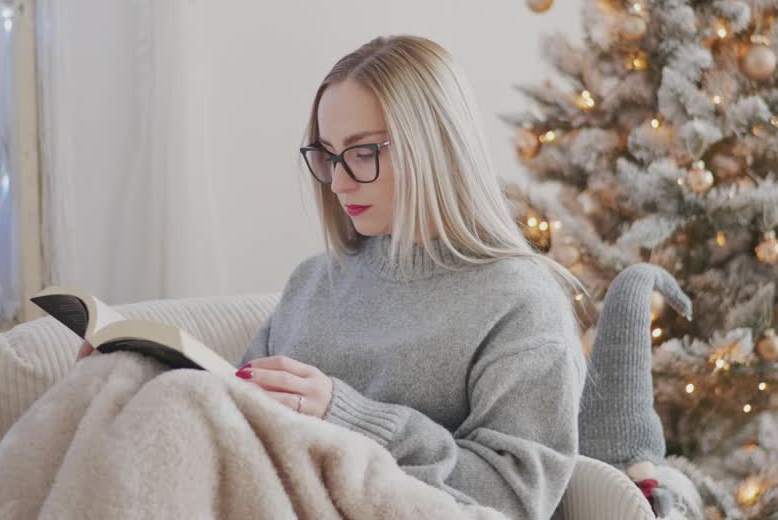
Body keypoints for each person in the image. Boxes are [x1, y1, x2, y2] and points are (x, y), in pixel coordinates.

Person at [80, 35, 587, 520]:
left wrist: (346, 416)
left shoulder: (519, 303)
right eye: (327, 155)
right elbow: (235, 426)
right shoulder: (314, 282)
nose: (340, 181)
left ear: (434, 147)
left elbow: (516, 497)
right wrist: (139, 376)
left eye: (364, 153)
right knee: (104, 391)